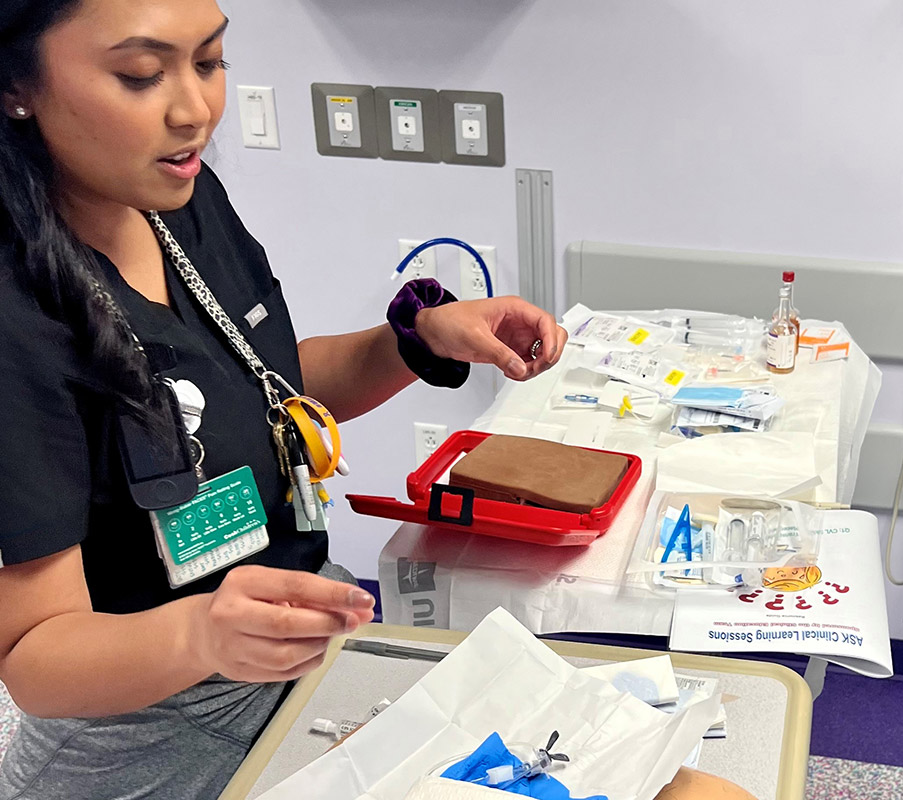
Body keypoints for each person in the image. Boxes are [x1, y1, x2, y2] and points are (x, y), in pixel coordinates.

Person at [0, 1, 568, 798]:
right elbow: (34, 656)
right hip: (151, 727)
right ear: (16, 83)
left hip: (299, 649)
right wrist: (202, 634)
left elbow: (262, 384)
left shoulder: (179, 199)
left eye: (210, 62)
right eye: (140, 74)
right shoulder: (18, 316)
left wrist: (418, 337)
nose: (195, 110)